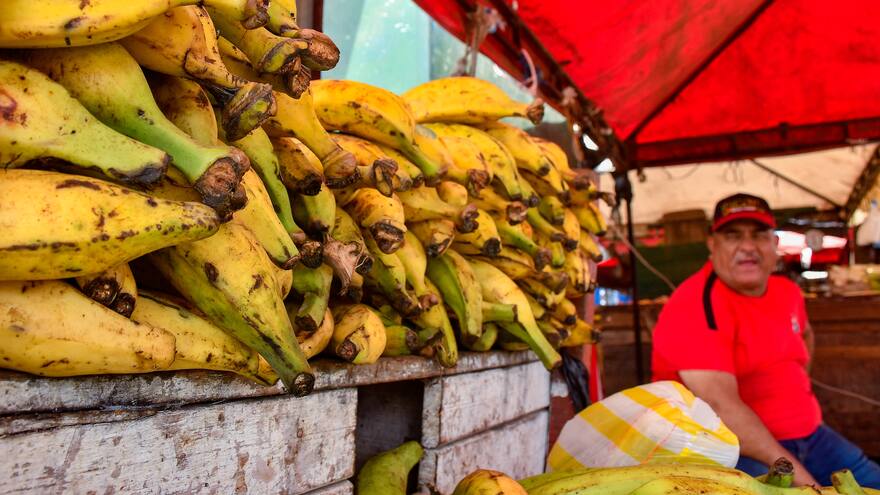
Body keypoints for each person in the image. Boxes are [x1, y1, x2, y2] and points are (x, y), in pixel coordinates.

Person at [651, 193, 880, 488]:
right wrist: (802, 482)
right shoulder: (694, 303)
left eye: (759, 235)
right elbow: (720, 406)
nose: (748, 247)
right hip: (734, 448)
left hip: (813, 436)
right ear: (712, 245)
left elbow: (805, 336)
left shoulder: (788, 292)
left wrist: (802, 403)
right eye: (733, 236)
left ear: (775, 245)